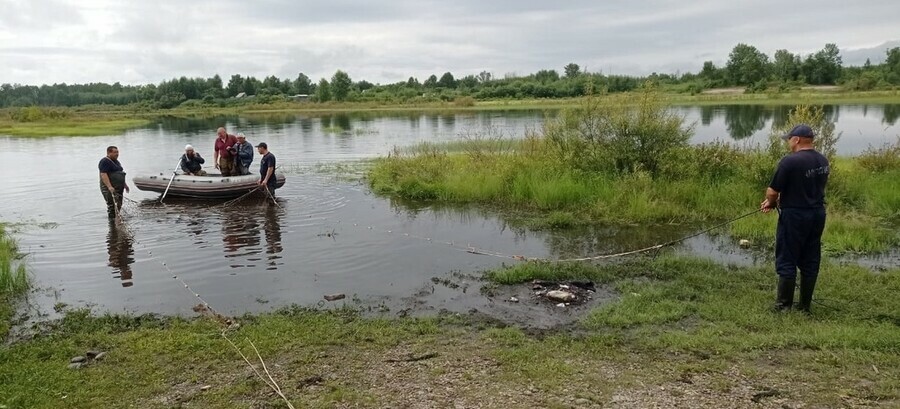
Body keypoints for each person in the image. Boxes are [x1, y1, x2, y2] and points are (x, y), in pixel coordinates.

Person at [760, 124, 830, 314]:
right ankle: (805, 307)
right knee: (810, 258)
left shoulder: (789, 162)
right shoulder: (823, 160)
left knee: (787, 257)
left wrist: (772, 202)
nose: (788, 142)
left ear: (797, 139)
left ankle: (783, 306)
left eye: (789, 139)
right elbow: (807, 188)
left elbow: (772, 191)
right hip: (817, 214)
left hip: (795, 216)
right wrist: (782, 198)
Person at [99, 146, 130, 219]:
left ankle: (118, 219)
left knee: (119, 204)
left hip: (119, 187)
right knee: (112, 205)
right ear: (109, 153)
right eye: (115, 152)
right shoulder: (105, 161)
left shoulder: (116, 161)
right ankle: (112, 222)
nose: (117, 154)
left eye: (117, 152)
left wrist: (125, 185)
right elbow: (103, 174)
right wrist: (109, 186)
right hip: (109, 188)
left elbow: (120, 173)